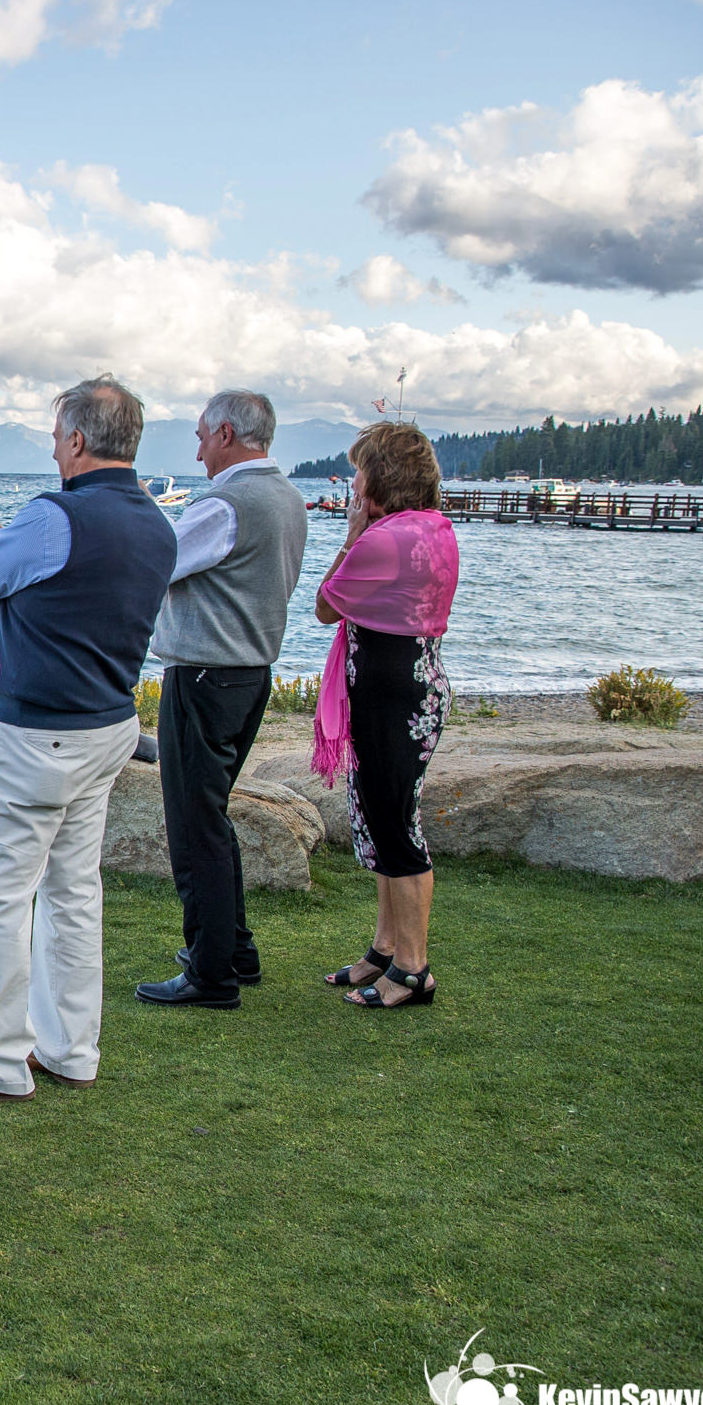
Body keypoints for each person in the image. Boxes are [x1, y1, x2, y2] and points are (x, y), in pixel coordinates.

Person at [0, 376, 176, 1099]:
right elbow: (68, 586)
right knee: (75, 892)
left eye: (54, 436)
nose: (52, 447)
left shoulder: (56, 518)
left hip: (37, 733)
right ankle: (72, 1048)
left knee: (1, 895)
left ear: (75, 440)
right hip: (106, 725)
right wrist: (0, 531)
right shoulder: (156, 524)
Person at [134, 390, 310, 1010]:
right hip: (250, 673)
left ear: (228, 432)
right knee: (212, 813)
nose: (199, 448)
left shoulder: (225, 504)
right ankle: (234, 948)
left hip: (206, 674)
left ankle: (212, 972)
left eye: (203, 435)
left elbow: (159, 564)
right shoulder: (288, 498)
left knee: (194, 823)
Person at [308, 421, 460, 1009]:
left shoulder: (382, 539)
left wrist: (350, 532)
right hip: (414, 685)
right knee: (381, 818)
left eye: (358, 471)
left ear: (381, 478)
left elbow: (326, 605)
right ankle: (385, 948)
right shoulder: (434, 528)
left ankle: (414, 969)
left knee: (395, 826)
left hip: (391, 695)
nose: (352, 482)